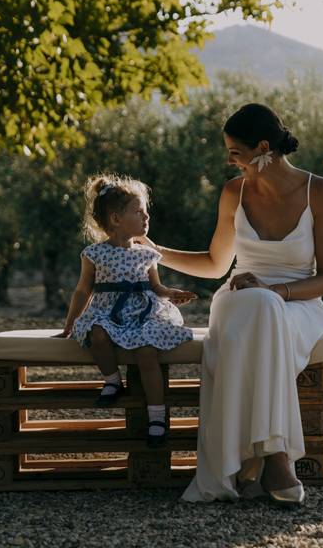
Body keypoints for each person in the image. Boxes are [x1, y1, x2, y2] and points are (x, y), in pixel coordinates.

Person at [137, 103, 323, 504]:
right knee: (255, 305)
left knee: (263, 306)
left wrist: (274, 290)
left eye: (234, 151)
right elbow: (216, 265)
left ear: (263, 146)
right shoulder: (234, 192)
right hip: (239, 298)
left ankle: (267, 458)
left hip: (298, 303)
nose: (229, 160)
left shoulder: (319, 190)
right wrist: (155, 250)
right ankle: (274, 458)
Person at [59, 174, 198, 448]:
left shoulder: (147, 254)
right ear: (115, 219)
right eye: (138, 212)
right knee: (96, 333)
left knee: (147, 353)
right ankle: (112, 380)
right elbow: (82, 291)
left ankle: (157, 418)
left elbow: (156, 287)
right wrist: (69, 325)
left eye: (147, 212)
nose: (146, 217)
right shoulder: (94, 254)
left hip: (142, 313)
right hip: (108, 313)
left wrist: (172, 294)